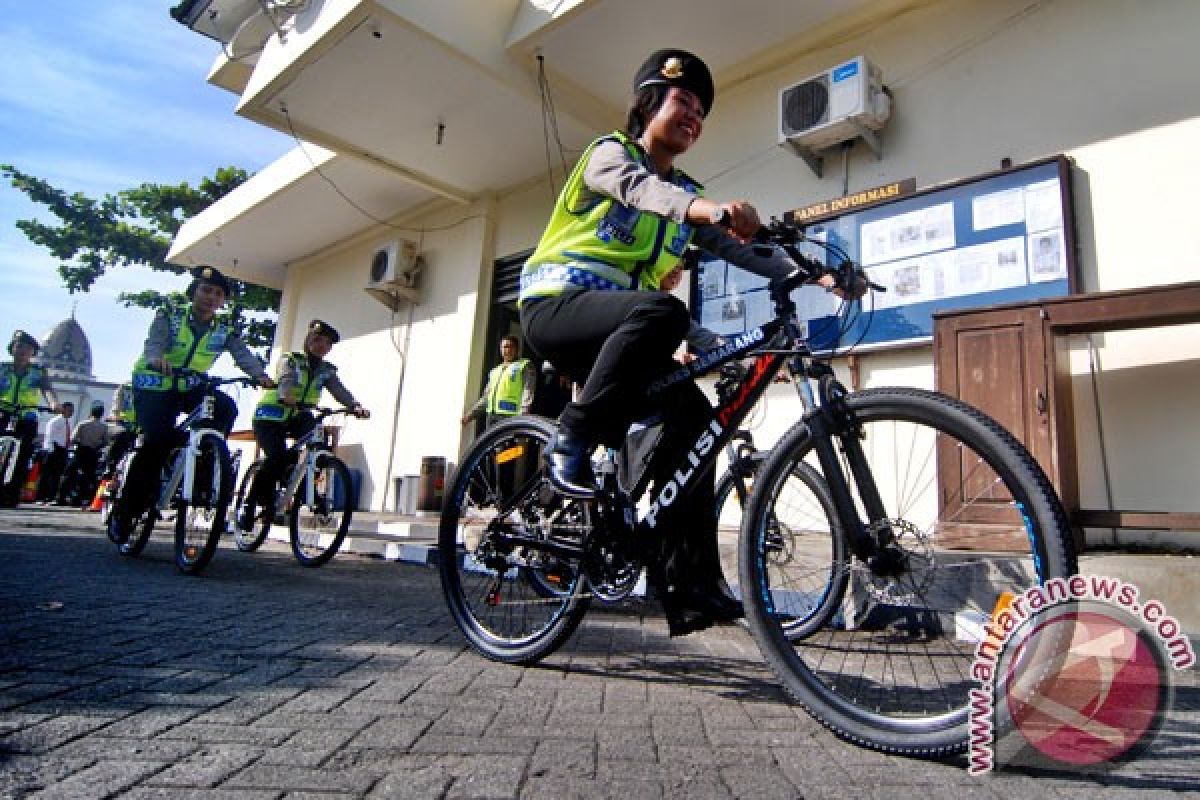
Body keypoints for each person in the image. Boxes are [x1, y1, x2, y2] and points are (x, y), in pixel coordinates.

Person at [518, 49, 847, 636]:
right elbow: (644, 193)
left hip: (618, 337)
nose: (692, 117)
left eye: (700, 112)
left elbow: (744, 248)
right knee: (663, 309)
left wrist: (818, 272)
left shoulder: (688, 192)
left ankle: (691, 580)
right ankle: (570, 437)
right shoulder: (609, 155)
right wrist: (708, 209)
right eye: (681, 103)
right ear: (649, 104)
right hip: (557, 308)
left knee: (697, 413)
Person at [112, 265, 274, 538]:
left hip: (190, 384)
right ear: (193, 292)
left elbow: (242, 355)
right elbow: (154, 343)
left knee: (225, 406)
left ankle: (204, 459)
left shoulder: (225, 328)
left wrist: (260, 376)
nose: (211, 297)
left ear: (223, 301)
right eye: (206, 290)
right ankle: (126, 512)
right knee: (157, 440)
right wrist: (155, 358)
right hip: (155, 384)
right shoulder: (170, 314)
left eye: (218, 294)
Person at [238, 319, 368, 531]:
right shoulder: (291, 360)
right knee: (277, 457)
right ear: (307, 340)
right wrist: (286, 395)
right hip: (272, 414)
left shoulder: (326, 370)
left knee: (319, 444)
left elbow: (338, 389)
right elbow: (286, 377)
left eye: (327, 343)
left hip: (300, 414)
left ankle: (310, 489)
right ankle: (250, 504)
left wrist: (354, 405)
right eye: (317, 340)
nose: (321, 346)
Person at [0, 330, 57, 507]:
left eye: (27, 348)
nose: (23, 351)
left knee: (23, 454)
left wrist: (54, 403)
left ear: (32, 353)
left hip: (28, 415)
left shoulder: (38, 372)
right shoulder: (3, 368)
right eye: (19, 347)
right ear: (12, 349)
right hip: (4, 410)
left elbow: (47, 389)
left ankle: (11, 494)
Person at [460, 334, 536, 430]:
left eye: (510, 346)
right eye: (504, 347)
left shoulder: (524, 365)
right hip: (492, 418)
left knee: (510, 445)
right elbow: (486, 397)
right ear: (500, 349)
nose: (507, 350)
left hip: (511, 417)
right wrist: (470, 415)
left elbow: (528, 391)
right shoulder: (495, 371)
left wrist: (523, 415)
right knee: (491, 444)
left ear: (517, 349)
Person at [56, 402, 109, 507]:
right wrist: (96, 445)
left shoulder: (83, 424)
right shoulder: (104, 427)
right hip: (93, 452)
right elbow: (105, 441)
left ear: (91, 412)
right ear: (101, 414)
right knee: (88, 477)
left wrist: (79, 443)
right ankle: (79, 499)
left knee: (69, 474)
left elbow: (73, 438)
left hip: (81, 451)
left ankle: (61, 497)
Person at [36, 402, 74, 503]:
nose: (71, 412)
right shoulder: (56, 421)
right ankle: (40, 497)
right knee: (46, 474)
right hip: (53, 449)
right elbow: (50, 436)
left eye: (72, 410)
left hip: (62, 450)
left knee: (56, 475)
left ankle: (51, 497)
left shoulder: (67, 422)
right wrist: (52, 449)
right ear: (63, 409)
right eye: (69, 409)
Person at [103, 382, 137, 477]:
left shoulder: (129, 386)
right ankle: (110, 467)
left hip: (134, 425)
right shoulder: (126, 386)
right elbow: (117, 403)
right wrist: (115, 415)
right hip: (124, 423)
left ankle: (111, 467)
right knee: (118, 441)